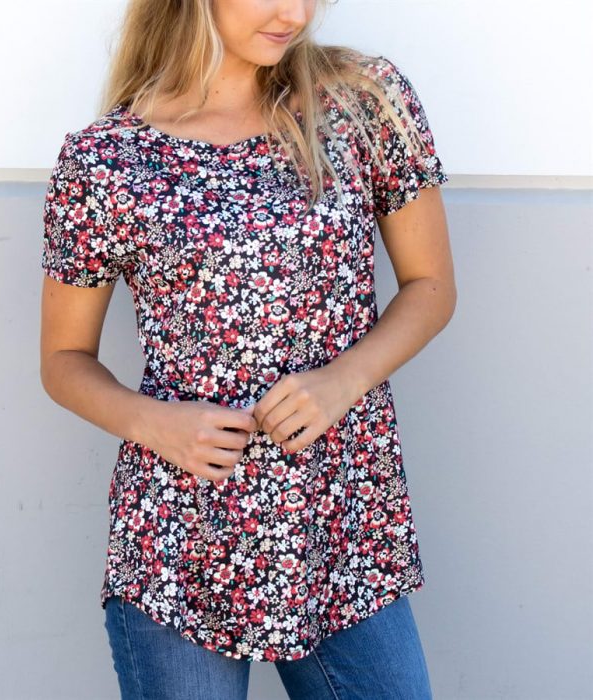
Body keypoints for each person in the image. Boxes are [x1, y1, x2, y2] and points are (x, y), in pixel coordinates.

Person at [39, 0, 456, 697]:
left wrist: (343, 380)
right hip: (182, 536)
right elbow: (62, 361)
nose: (294, 12)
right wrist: (155, 423)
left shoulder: (361, 101)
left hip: (340, 522)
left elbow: (432, 286)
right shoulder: (105, 160)